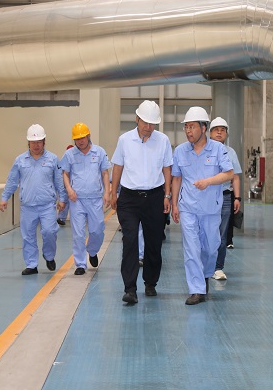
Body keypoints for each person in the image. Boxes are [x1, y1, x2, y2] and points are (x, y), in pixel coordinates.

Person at [110, 99, 173, 304]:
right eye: (145, 122)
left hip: (154, 197)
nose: (148, 127)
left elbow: (167, 169)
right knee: (130, 241)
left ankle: (150, 282)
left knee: (154, 242)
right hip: (129, 198)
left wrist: (167, 195)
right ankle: (130, 288)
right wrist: (113, 192)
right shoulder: (124, 140)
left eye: (152, 123)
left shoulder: (163, 140)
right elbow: (118, 166)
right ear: (137, 119)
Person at [171, 107, 233, 305]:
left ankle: (205, 274)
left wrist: (208, 181)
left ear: (203, 128)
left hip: (210, 208)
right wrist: (174, 204)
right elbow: (176, 178)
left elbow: (229, 173)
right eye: (186, 127)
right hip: (188, 208)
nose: (188, 131)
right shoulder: (180, 151)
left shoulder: (218, 149)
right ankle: (197, 289)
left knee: (211, 248)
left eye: (192, 127)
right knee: (191, 249)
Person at [0, 124, 67, 275]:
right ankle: (31, 264)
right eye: (33, 142)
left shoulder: (53, 159)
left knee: (49, 232)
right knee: (28, 236)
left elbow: (59, 181)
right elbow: (12, 181)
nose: (36, 145)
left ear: (44, 142)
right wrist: (5, 197)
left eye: (39, 142)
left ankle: (49, 256)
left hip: (47, 205)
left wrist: (62, 198)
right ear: (28, 143)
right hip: (28, 206)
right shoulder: (20, 160)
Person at [61, 123, 111, 275]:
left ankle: (93, 251)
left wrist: (107, 193)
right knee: (78, 234)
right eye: (77, 139)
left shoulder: (99, 152)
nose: (80, 141)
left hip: (95, 199)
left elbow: (105, 173)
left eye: (83, 138)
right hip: (77, 200)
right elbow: (65, 174)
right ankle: (80, 264)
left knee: (97, 230)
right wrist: (69, 190)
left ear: (88, 136)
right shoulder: (69, 154)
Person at [209, 117, 243, 281]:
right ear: (209, 133)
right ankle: (205, 265)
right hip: (207, 197)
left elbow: (235, 177)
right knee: (206, 233)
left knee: (222, 235)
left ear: (226, 134)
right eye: (216, 130)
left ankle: (218, 268)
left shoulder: (231, 152)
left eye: (222, 130)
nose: (219, 132)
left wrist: (237, 198)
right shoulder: (204, 150)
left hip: (225, 197)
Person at [57, 144, 74, 226]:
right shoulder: (64, 161)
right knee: (64, 201)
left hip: (74, 186)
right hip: (65, 186)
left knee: (73, 202)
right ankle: (61, 218)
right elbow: (60, 174)